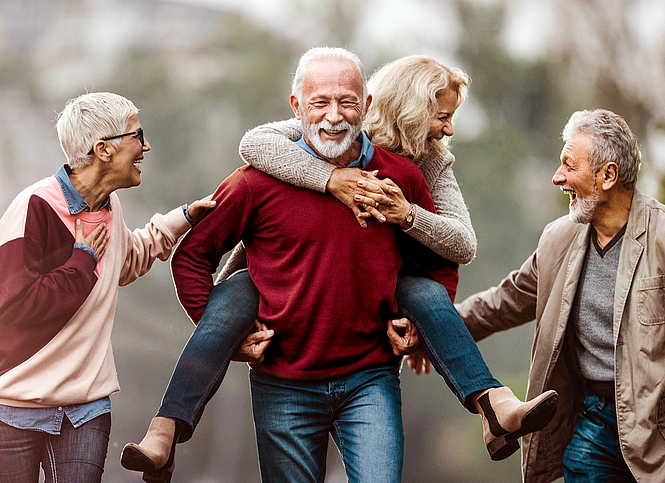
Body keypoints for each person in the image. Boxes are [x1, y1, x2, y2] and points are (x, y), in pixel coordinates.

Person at [122, 52, 557, 481]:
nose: (334, 116)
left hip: (369, 377)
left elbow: (448, 252)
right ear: (297, 108)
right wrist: (229, 338)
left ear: (366, 105)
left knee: (420, 292)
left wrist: (421, 317)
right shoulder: (259, 176)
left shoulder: (405, 176)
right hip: (283, 377)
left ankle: (492, 402)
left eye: (347, 102)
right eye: (320, 103)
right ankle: (166, 429)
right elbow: (194, 254)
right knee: (234, 295)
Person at [0, 92, 214, 483]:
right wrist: (81, 260)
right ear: (103, 149)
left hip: (86, 407)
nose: (145, 146)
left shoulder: (109, 207)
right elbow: (13, 305)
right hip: (14, 406)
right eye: (137, 135)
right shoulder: (33, 206)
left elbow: (124, 261)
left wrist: (183, 218)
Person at [453, 109, 661, 482]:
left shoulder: (661, 237)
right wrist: (435, 328)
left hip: (656, 428)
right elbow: (505, 301)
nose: (557, 176)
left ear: (608, 175)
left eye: (569, 165)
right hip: (595, 422)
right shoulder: (558, 239)